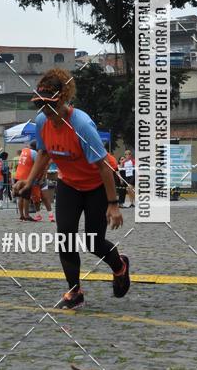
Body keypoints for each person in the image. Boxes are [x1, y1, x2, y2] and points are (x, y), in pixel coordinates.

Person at [13, 68, 130, 310]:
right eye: (41, 105)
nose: (46, 110)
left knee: (93, 242)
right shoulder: (42, 122)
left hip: (97, 185)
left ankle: (119, 266)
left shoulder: (81, 125)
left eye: (51, 104)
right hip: (69, 184)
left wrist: (113, 204)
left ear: (63, 99)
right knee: (65, 238)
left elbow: (103, 167)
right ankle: (75, 291)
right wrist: (30, 181)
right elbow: (44, 154)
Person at [15, 141, 38, 221]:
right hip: (26, 177)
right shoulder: (34, 153)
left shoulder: (24, 150)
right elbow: (37, 164)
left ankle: (21, 215)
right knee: (26, 197)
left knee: (20, 197)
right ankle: (27, 215)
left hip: (18, 175)